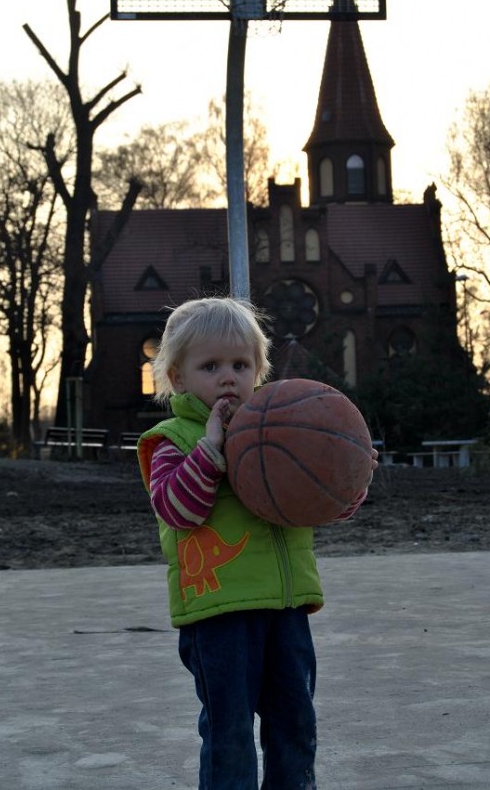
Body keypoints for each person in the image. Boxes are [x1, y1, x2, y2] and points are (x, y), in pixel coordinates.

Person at [137, 296, 375, 790]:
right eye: (211, 366)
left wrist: (348, 477)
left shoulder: (282, 431)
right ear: (177, 378)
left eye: (241, 365)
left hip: (286, 610)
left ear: (258, 371)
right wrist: (210, 449)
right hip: (218, 615)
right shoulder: (171, 440)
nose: (228, 377)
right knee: (230, 735)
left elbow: (316, 506)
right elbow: (178, 511)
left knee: (295, 727)